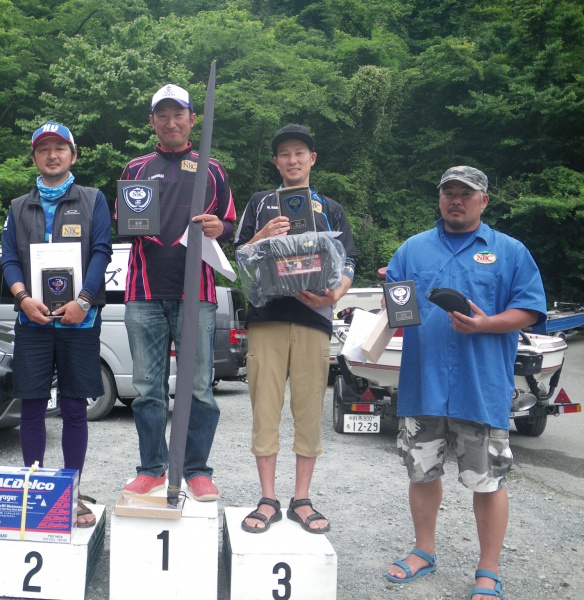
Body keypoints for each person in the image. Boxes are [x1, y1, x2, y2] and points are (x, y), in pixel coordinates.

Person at [384, 166, 546, 600]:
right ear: (439, 198)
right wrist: (392, 297)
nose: (456, 200)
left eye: (465, 194)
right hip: (423, 383)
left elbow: (530, 309)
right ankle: (423, 550)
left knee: (488, 481)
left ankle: (488, 570)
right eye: (448, 193)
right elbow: (399, 309)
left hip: (481, 386)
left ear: (484, 201)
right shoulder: (412, 250)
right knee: (421, 472)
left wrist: (487, 324)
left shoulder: (510, 252)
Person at [234, 124, 356, 533]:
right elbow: (239, 259)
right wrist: (263, 236)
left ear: (312, 159)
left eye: (299, 152)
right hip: (267, 318)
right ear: (276, 162)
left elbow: (348, 263)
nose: (292, 160)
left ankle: (301, 498)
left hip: (314, 320)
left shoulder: (331, 208)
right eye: (284, 154)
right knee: (265, 410)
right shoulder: (259, 203)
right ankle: (267, 498)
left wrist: (333, 294)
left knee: (308, 410)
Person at [117, 84, 236, 501]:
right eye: (162, 115)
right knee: (147, 387)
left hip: (197, 294)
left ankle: (197, 469)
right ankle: (151, 467)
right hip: (143, 293)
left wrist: (223, 228)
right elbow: (124, 222)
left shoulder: (213, 168)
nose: (171, 122)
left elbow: (230, 225)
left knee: (200, 387)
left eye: (178, 114)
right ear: (152, 121)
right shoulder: (134, 168)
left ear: (191, 119)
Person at [1, 121, 112, 527]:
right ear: (34, 157)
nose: (52, 155)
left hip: (79, 321)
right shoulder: (18, 205)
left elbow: (101, 252)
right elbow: (10, 258)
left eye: (60, 148)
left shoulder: (93, 199)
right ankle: (36, 488)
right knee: (31, 405)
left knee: (73, 407)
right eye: (44, 148)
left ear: (73, 155)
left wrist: (83, 301)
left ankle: (73, 490)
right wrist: (22, 298)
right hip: (32, 320)